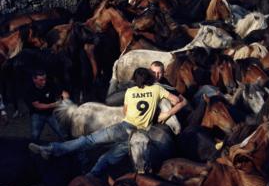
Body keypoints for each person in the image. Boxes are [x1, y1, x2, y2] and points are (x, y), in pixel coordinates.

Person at [28, 67, 187, 178]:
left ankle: (51, 149)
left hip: (124, 127)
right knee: (110, 157)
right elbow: (179, 101)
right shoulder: (157, 90)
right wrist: (168, 112)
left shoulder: (130, 92)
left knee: (88, 140)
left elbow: (125, 111)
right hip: (140, 133)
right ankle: (92, 175)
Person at [25, 70, 69, 142]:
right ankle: (33, 149)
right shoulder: (29, 89)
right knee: (35, 135)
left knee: (62, 132)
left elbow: (61, 92)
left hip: (51, 113)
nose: (44, 81)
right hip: (37, 114)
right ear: (34, 79)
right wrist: (54, 104)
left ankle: (68, 147)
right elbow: (38, 105)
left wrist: (64, 95)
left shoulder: (50, 83)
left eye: (45, 79)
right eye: (41, 80)